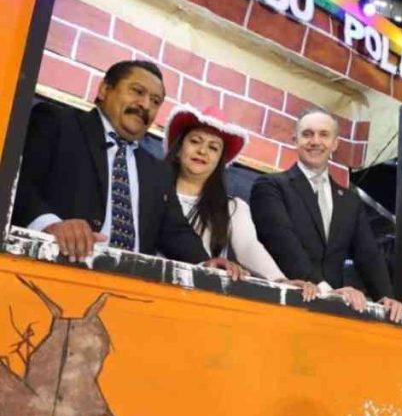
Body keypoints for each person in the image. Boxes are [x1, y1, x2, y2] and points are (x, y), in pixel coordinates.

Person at [12, 60, 240, 277]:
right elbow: (19, 183)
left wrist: (205, 263)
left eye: (155, 101)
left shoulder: (156, 171)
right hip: (52, 267)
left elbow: (176, 232)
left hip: (130, 292)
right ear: (104, 90)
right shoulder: (58, 123)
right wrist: (50, 224)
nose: (145, 105)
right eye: (137, 91)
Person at [250, 107, 402, 322]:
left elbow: (368, 254)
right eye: (307, 134)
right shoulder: (271, 186)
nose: (315, 141)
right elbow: (281, 242)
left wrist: (386, 297)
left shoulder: (350, 201)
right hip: (283, 304)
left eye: (324, 135)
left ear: (335, 143)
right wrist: (325, 290)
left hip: (332, 314)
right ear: (295, 140)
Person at [163, 105, 317, 301]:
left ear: (220, 161)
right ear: (178, 149)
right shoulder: (154, 191)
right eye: (195, 141)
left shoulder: (232, 208)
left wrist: (279, 280)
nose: (202, 151)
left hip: (201, 300)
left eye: (213, 148)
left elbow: (248, 246)